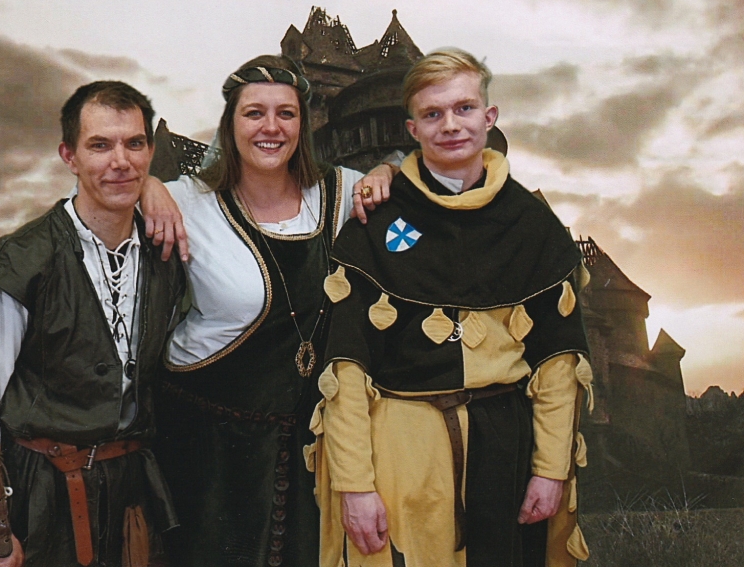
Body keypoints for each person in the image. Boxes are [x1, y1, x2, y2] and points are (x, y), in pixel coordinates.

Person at [309, 49, 594, 567]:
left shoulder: (533, 225)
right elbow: (345, 369)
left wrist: (552, 469)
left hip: (505, 453)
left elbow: (558, 362)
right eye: (433, 114)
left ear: (489, 117)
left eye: (464, 108)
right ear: (412, 129)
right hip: (401, 453)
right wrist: (354, 484)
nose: (450, 125)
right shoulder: (375, 222)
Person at [144, 55, 397, 567]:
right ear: (230, 123)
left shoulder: (341, 192)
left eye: (286, 113)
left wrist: (389, 168)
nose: (271, 127)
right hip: (207, 445)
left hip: (308, 440)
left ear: (303, 124)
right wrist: (145, 186)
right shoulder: (187, 200)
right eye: (254, 113)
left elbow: (419, 185)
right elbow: (96, 204)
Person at [0, 81, 186, 567]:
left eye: (134, 143)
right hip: (42, 494)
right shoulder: (16, 265)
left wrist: (155, 187)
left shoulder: (166, 252)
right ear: (69, 156)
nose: (120, 160)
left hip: (131, 489)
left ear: (150, 151)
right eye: (99, 145)